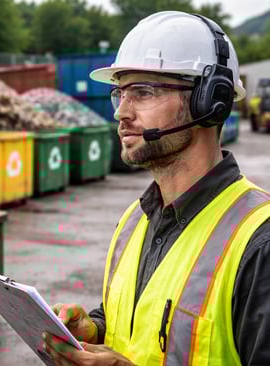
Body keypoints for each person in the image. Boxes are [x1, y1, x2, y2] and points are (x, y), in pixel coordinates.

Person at [42, 11, 270, 365]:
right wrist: (95, 329)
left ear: (210, 101)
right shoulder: (135, 219)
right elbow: (142, 327)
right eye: (120, 92)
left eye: (143, 92)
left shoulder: (259, 242)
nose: (121, 112)